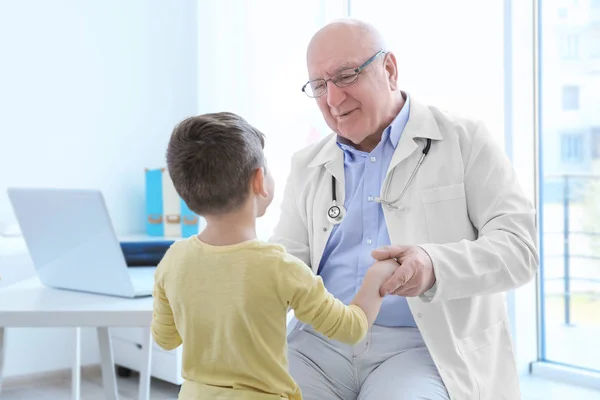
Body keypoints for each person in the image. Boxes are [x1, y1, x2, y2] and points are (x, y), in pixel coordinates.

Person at [271, 18, 539, 400]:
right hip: (318, 345)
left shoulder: (466, 141)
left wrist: (433, 265)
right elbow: (287, 261)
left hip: (419, 347)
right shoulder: (307, 164)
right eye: (319, 86)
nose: (332, 99)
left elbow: (520, 250)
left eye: (346, 76)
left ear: (390, 69)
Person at [151, 112, 399, 400]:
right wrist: (377, 276)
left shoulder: (174, 260)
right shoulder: (280, 267)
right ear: (259, 181)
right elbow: (351, 328)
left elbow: (166, 338)